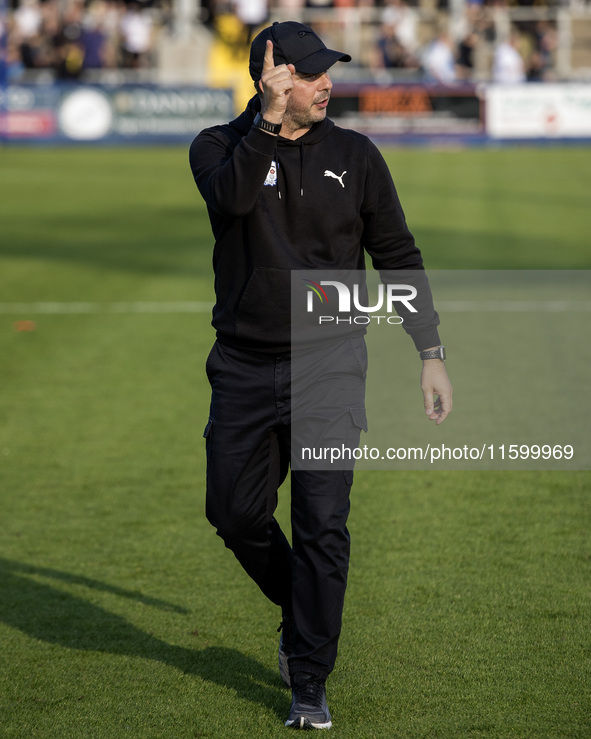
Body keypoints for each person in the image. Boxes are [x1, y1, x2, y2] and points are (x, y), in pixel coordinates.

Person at [189, 20, 452, 731]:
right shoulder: (217, 147)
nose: (324, 83)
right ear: (270, 80)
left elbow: (396, 252)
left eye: (324, 70)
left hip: (331, 366)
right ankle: (299, 609)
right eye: (307, 73)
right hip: (242, 365)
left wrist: (430, 352)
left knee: (322, 526)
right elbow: (231, 204)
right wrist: (267, 128)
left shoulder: (356, 155)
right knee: (233, 514)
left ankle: (308, 678)